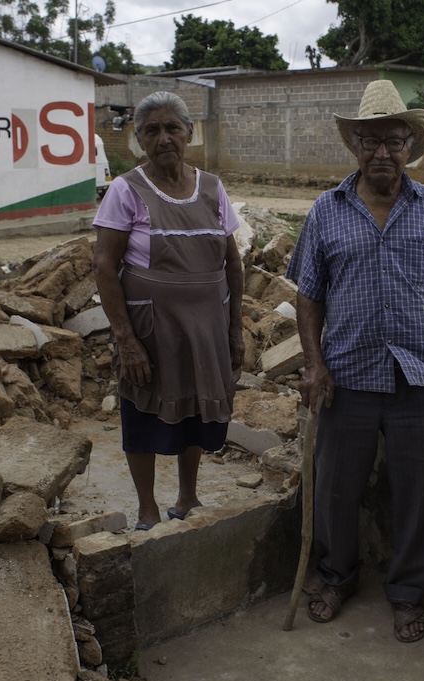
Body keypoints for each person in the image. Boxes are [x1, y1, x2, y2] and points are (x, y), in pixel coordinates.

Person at [285, 80, 424, 643]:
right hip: (347, 375)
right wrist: (313, 364)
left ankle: (407, 592)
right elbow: (308, 296)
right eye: (370, 141)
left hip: (417, 374)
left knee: (418, 493)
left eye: (393, 141)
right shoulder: (326, 211)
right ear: (355, 147)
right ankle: (335, 577)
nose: (381, 152)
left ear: (408, 148)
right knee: (335, 488)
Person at [93, 91, 244, 531]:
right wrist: (126, 339)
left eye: (172, 128)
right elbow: (105, 267)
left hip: (206, 327)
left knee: (194, 410)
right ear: (139, 138)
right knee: (141, 411)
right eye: (151, 130)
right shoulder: (126, 190)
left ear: (189, 133)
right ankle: (147, 507)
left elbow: (232, 262)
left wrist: (235, 329)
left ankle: (187, 496)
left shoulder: (212, 187)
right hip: (151, 328)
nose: (163, 139)